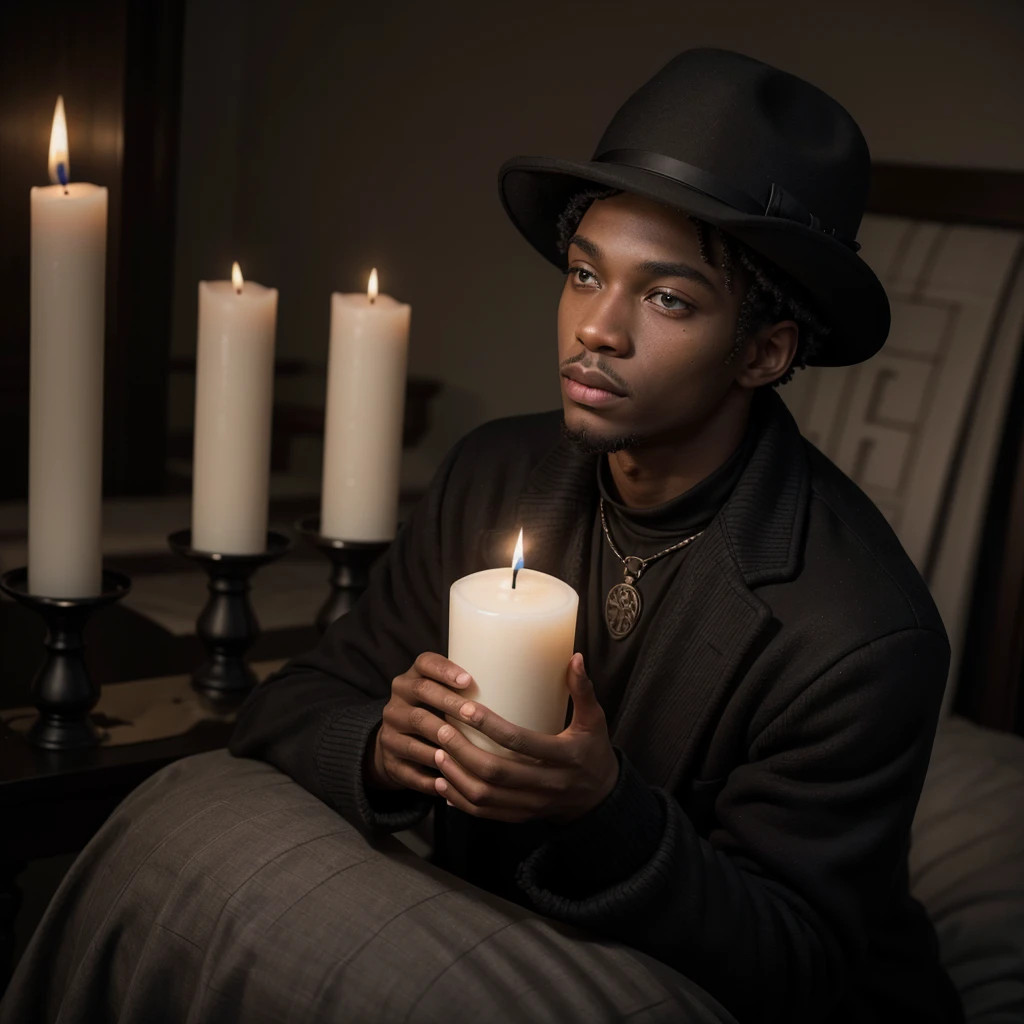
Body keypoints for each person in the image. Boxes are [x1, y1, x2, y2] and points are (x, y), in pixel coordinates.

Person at [228, 48, 962, 1023]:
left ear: (764, 352)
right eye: (584, 273)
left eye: (665, 298)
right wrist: (380, 744)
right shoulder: (493, 473)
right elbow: (297, 702)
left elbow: (799, 961)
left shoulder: (861, 631)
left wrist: (601, 810)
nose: (595, 330)